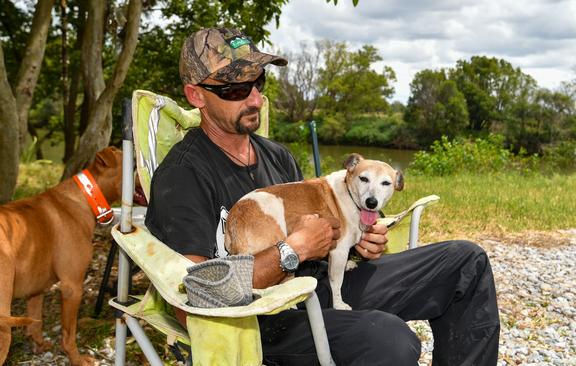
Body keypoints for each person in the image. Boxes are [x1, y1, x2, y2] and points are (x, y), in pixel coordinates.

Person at [145, 27, 500, 366]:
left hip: (318, 286)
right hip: (257, 321)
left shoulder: (277, 156)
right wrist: (292, 250)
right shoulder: (182, 176)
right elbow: (194, 297)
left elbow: (321, 238)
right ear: (196, 96)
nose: (255, 98)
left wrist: (356, 241)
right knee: (389, 340)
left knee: (465, 262)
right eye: (236, 89)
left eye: (258, 82)